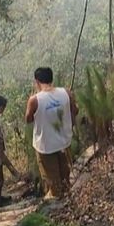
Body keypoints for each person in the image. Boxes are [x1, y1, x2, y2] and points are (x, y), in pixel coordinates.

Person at [25, 67, 78, 199]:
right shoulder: (66, 92)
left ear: (36, 81)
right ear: (51, 78)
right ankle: (68, 200)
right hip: (64, 142)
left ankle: (58, 206)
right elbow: (75, 110)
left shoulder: (35, 100)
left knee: (52, 181)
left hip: (45, 146)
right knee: (65, 175)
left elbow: (28, 119)